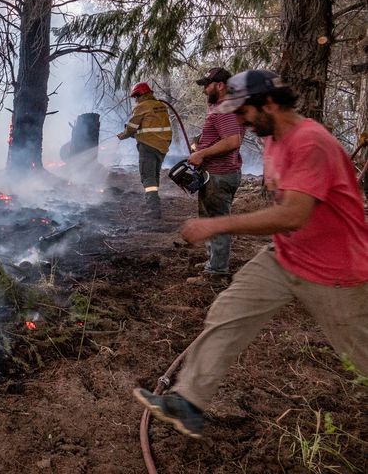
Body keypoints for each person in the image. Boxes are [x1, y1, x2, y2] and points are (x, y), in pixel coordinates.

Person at [133, 69, 368, 438]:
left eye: (243, 111)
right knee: (228, 313)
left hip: (336, 270)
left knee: (362, 356)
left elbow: (293, 214)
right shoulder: (274, 138)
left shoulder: (310, 143)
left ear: (270, 103)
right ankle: (188, 402)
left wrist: (217, 224)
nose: (239, 120)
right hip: (286, 256)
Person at [186, 67, 246, 284]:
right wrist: (200, 142)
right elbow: (224, 135)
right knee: (211, 220)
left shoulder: (225, 109)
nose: (204, 90)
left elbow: (232, 141)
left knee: (218, 222)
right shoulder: (225, 108)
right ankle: (214, 261)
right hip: (216, 174)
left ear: (220, 85)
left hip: (220, 175)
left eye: (207, 85)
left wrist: (202, 153)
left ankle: (217, 272)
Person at [117, 82, 173, 218]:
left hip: (148, 146)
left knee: (147, 177)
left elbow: (131, 127)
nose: (135, 99)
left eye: (136, 96)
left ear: (141, 94)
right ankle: (153, 201)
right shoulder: (161, 106)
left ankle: (153, 208)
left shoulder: (142, 107)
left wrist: (121, 136)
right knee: (154, 175)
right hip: (162, 146)